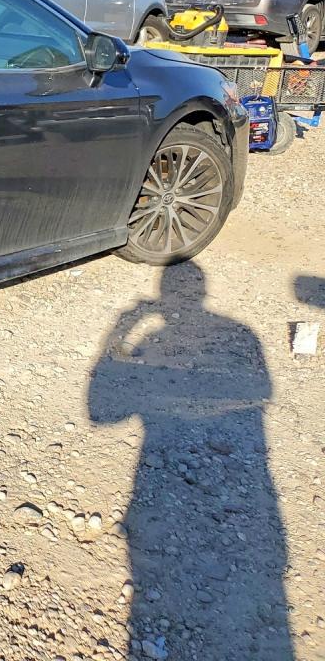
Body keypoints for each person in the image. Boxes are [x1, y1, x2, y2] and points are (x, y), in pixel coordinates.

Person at [87, 261, 292, 659]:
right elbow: (263, 391)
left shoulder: (158, 337)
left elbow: (99, 413)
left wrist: (122, 328)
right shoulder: (243, 334)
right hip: (256, 502)